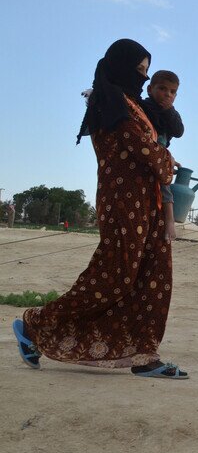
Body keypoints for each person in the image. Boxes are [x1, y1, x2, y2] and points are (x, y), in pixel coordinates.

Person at [12, 39, 188, 379]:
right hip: (123, 203)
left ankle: (144, 354)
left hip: (148, 202)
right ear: (119, 67)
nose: (142, 78)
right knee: (114, 278)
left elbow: (157, 145)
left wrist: (160, 159)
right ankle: (34, 325)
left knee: (152, 277)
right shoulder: (111, 106)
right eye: (139, 72)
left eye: (145, 72)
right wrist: (165, 160)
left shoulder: (134, 106)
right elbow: (145, 151)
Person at [142, 70, 184, 243]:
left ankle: (169, 220)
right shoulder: (144, 106)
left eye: (172, 92)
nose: (167, 94)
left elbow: (178, 131)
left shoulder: (171, 113)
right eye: (162, 89)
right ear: (150, 89)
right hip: (148, 150)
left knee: (165, 185)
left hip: (160, 154)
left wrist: (169, 110)